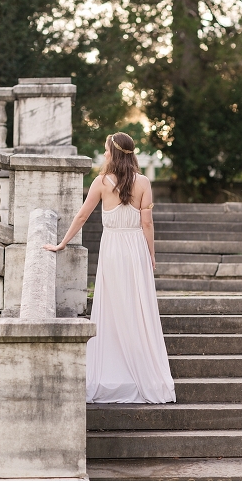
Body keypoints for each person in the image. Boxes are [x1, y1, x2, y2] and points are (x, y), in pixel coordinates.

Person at [44, 132, 176, 404]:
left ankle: (115, 369)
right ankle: (141, 371)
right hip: (136, 249)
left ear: (113, 153)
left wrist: (62, 244)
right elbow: (147, 223)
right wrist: (151, 254)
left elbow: (82, 215)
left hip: (114, 250)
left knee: (115, 307)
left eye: (106, 150)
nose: (104, 154)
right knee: (137, 308)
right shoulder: (143, 182)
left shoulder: (101, 183)